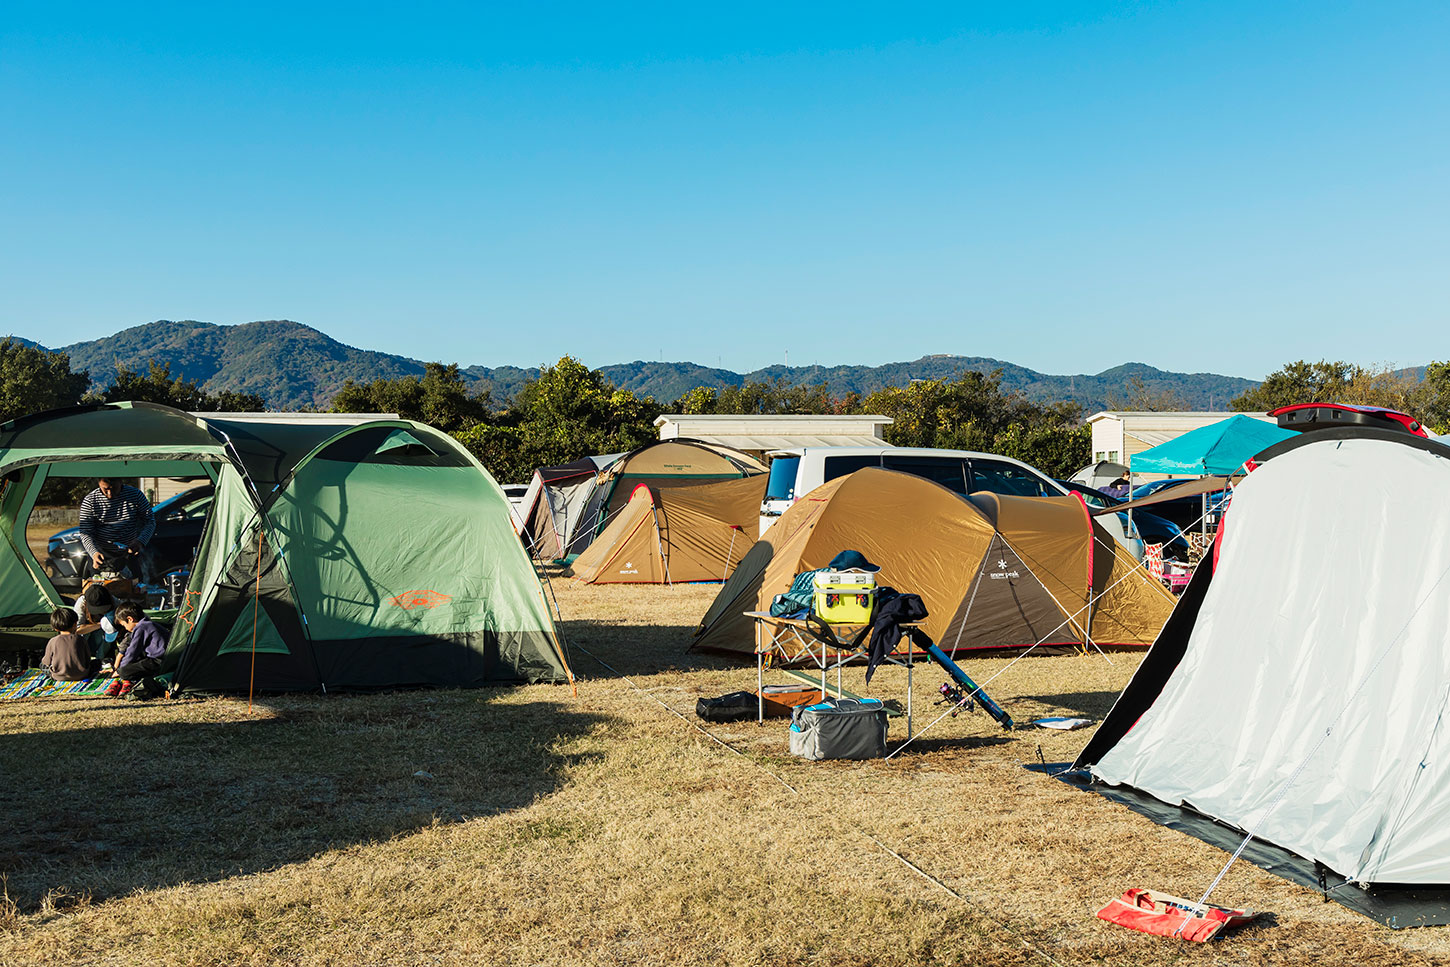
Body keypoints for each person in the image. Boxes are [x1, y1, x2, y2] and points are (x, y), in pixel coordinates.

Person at [77, 478, 155, 580]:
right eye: (105, 489)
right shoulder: (90, 501)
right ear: (99, 483)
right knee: (99, 588)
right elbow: (85, 532)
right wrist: (93, 553)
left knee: (135, 587)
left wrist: (140, 541)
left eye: (114, 488)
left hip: (128, 553)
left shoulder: (136, 495)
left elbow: (150, 521)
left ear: (121, 482)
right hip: (100, 554)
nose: (110, 494)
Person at [107, 603, 169, 698]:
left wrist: (120, 670)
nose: (125, 628)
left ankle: (128, 681)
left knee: (124, 672)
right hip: (162, 658)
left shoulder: (141, 627)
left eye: (124, 625)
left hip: (158, 661)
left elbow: (132, 652)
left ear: (130, 619)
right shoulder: (148, 623)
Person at [41, 607, 101, 681]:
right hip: (82, 675)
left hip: (58, 676)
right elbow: (87, 660)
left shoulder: (53, 641)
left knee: (41, 665)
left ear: (55, 628)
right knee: (97, 663)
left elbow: (46, 662)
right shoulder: (80, 639)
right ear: (75, 624)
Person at [73, 583, 120, 666]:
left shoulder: (114, 601)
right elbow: (77, 630)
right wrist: (101, 624)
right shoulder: (81, 603)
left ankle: (101, 659)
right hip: (88, 634)